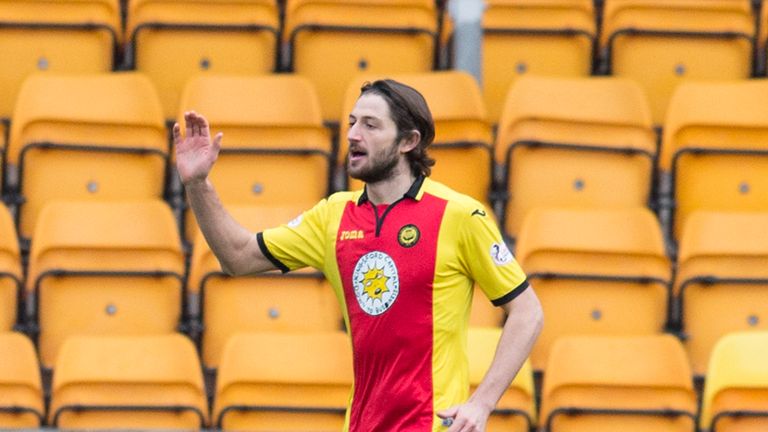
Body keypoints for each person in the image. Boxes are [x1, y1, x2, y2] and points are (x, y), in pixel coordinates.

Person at [174, 79, 543, 432]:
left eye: (370, 125)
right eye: (351, 123)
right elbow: (237, 257)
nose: (352, 135)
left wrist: (482, 403)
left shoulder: (459, 214)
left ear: (408, 141)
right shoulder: (333, 216)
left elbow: (527, 312)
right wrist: (197, 184)